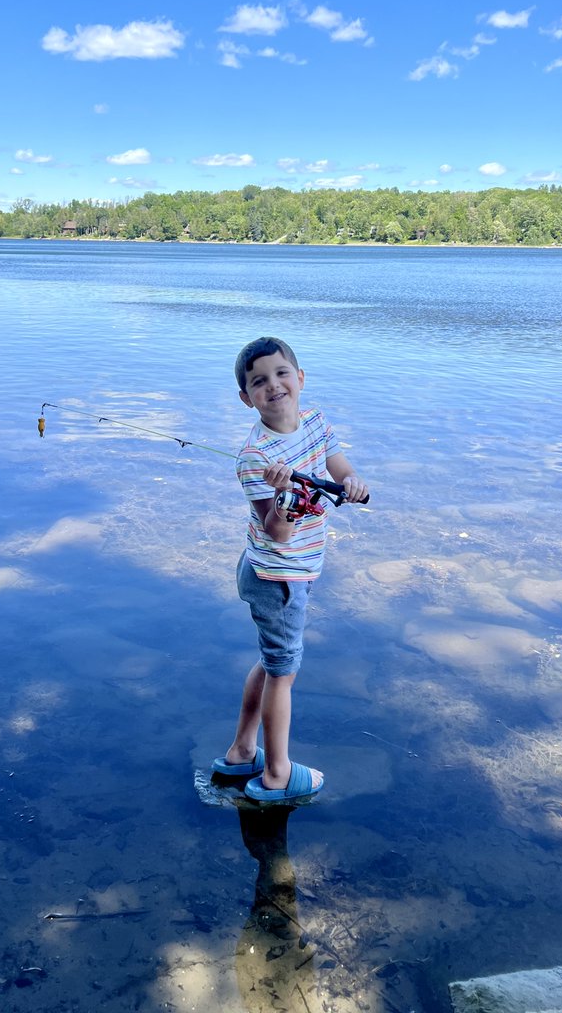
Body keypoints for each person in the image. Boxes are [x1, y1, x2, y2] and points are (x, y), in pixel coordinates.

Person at [212, 336, 368, 802]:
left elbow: (338, 466)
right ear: (247, 398)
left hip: (296, 571)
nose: (273, 386)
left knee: (273, 661)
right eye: (259, 382)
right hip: (274, 577)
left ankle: (243, 750)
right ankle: (276, 773)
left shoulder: (316, 423)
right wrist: (281, 496)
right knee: (283, 672)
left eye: (281, 374)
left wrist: (351, 483)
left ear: (299, 378)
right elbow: (277, 532)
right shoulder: (254, 459)